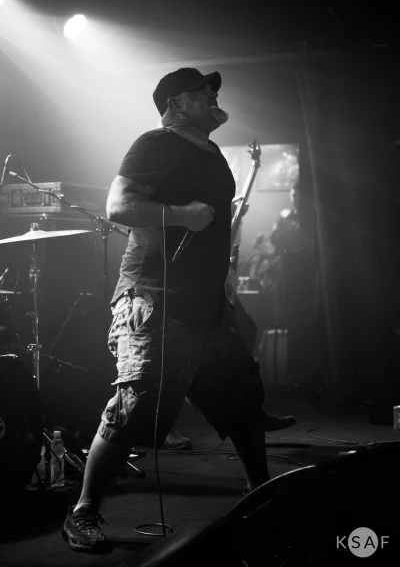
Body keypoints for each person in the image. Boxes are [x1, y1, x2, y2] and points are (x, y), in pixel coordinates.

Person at [62, 67, 289, 553]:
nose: (212, 95)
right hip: (153, 298)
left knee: (241, 398)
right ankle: (82, 512)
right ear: (175, 104)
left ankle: (262, 493)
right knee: (133, 408)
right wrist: (179, 215)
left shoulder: (211, 153)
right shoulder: (154, 144)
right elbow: (118, 206)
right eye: (201, 92)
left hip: (207, 305)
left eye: (213, 90)